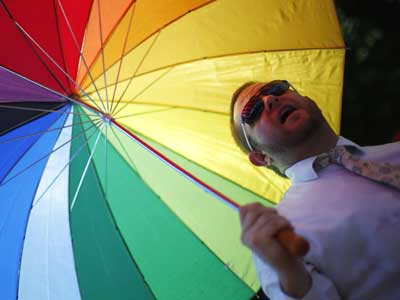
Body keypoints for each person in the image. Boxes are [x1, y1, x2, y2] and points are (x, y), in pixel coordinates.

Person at [230, 80, 400, 300]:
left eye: (276, 89)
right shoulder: (280, 239)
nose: (270, 99)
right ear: (262, 157)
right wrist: (290, 271)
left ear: (309, 100)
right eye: (252, 111)